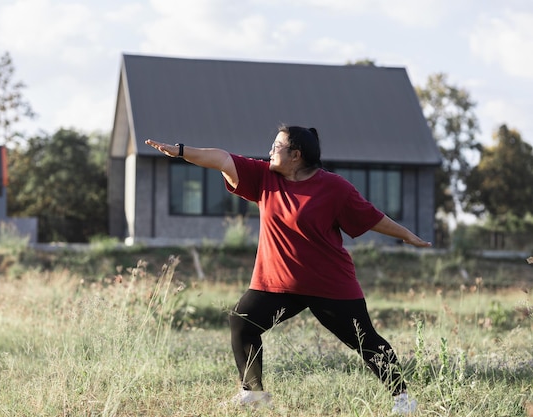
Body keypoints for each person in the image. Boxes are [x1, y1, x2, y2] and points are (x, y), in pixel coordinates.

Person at [145, 125, 431, 415]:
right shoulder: (263, 177)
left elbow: (371, 217)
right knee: (242, 322)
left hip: (328, 283)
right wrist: (180, 151)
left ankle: (403, 399)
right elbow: (220, 159)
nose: (270, 150)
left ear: (296, 155)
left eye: (276, 146)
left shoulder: (334, 188)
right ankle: (252, 393)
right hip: (277, 283)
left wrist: (406, 235)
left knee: (364, 340)